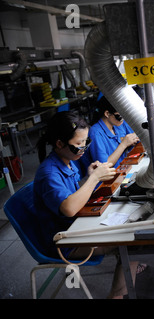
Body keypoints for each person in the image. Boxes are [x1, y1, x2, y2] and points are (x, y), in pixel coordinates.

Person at [34, 111, 142, 298]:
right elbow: (69, 208)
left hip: (77, 226)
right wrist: (94, 179)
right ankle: (115, 296)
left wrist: (87, 177)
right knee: (133, 243)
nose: (83, 149)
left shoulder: (68, 161)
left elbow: (75, 191)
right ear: (59, 144)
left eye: (86, 143)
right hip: (66, 241)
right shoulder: (49, 173)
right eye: (78, 145)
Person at [80, 95, 139, 172]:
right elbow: (104, 166)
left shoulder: (116, 126)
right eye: (120, 116)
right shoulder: (95, 133)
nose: (123, 120)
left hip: (121, 171)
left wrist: (130, 142)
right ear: (107, 113)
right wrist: (123, 144)